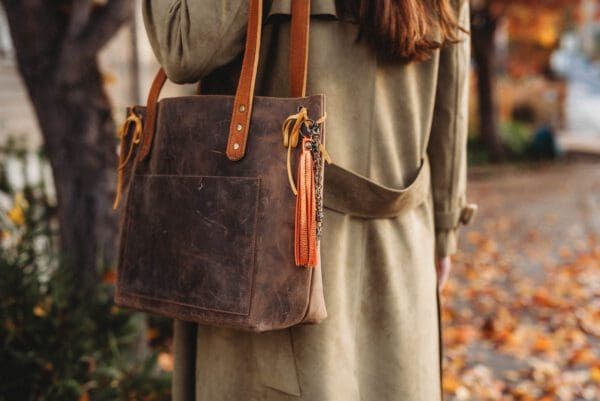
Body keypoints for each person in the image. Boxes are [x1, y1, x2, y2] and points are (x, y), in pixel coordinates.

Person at [142, 0, 474, 400]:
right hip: (400, 253)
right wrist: (444, 227)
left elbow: (186, 45)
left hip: (271, 260)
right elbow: (450, 104)